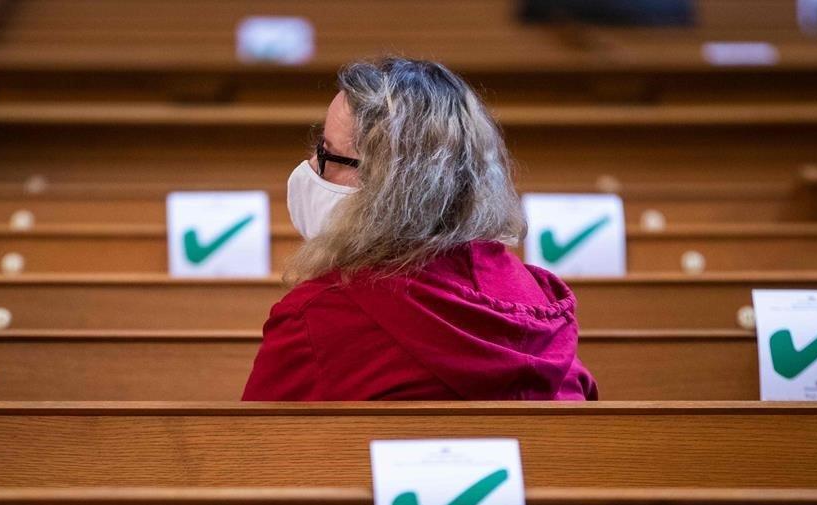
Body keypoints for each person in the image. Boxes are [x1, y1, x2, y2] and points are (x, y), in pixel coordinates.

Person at [242, 57, 598, 401]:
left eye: (327, 153)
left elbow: (252, 451)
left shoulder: (318, 321)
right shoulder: (538, 307)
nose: (311, 167)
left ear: (386, 186)